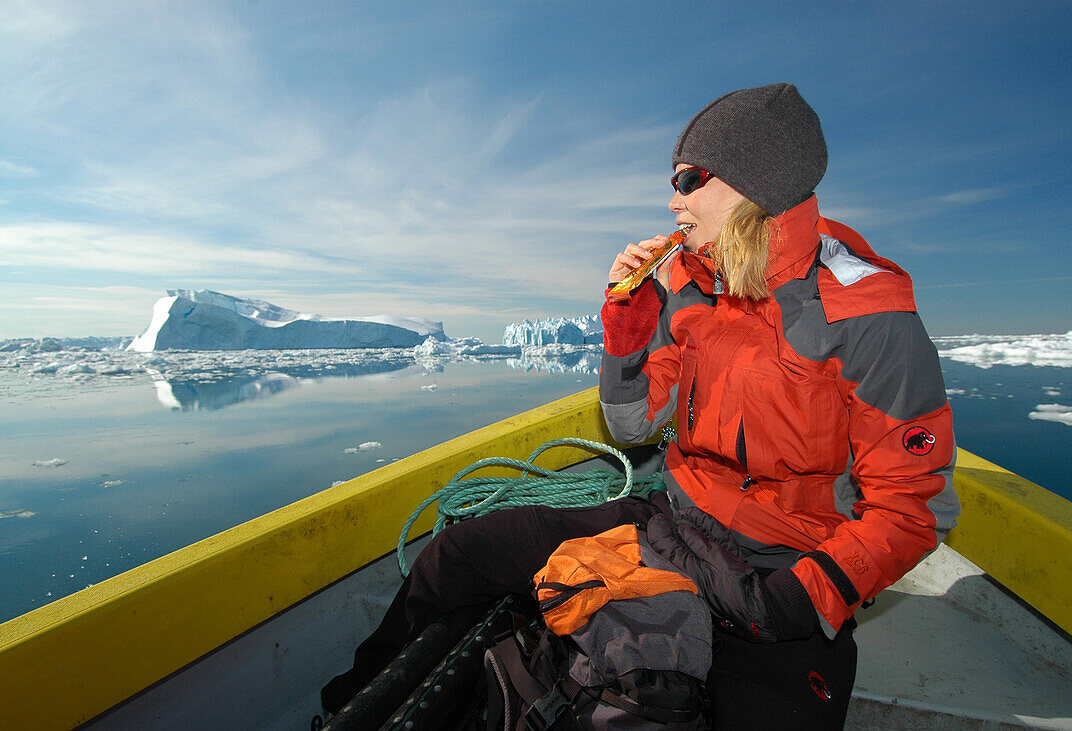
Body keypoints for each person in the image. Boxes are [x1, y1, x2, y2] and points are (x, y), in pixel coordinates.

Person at [323, 83, 960, 729]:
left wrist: (799, 598)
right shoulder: (684, 284)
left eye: (689, 178)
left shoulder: (867, 312)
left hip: (781, 568)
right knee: (459, 555)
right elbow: (631, 427)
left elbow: (914, 511)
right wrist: (627, 325)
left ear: (754, 183)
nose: (673, 200)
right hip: (670, 522)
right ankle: (342, 711)